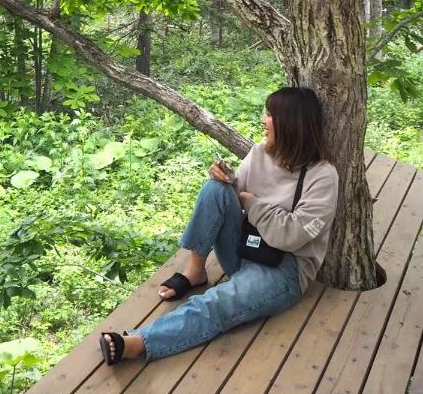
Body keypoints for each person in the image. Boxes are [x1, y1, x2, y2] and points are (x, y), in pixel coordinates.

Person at [100, 87, 339, 365]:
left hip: (284, 269)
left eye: (271, 115)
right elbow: (237, 194)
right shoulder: (260, 153)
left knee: (217, 302)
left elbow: (292, 235)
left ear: (291, 124)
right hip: (245, 246)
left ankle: (140, 342)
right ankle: (195, 272)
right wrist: (226, 179)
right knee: (215, 189)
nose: (263, 120)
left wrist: (252, 203)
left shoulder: (322, 176)